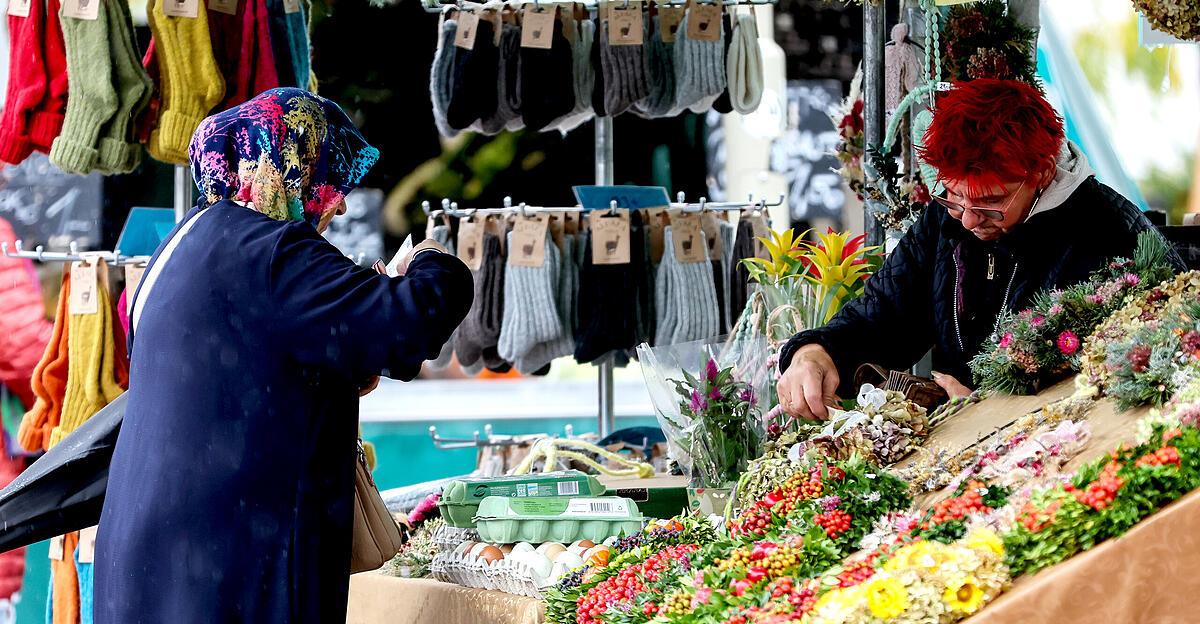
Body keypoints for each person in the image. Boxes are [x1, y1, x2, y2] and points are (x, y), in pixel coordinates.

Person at [94, 89, 474, 623]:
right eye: (327, 177)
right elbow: (408, 321)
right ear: (285, 166)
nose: (339, 203)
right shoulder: (272, 250)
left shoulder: (188, 240)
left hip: (159, 558)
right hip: (229, 563)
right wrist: (437, 260)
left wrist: (332, 370)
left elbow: (240, 366)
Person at [777, 78, 1183, 421]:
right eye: (953, 197)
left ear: (1041, 174)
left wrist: (992, 410)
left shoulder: (1110, 235)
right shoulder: (946, 221)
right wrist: (816, 353)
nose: (968, 220)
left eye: (990, 203)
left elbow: (1142, 377)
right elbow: (881, 316)